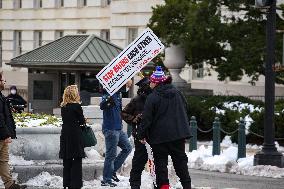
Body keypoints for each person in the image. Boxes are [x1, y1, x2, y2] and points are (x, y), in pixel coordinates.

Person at [137, 66, 192, 189]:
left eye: (151, 81)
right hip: (178, 135)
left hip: (159, 137)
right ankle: (187, 186)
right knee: (180, 162)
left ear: (156, 82)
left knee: (161, 164)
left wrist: (141, 134)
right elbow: (186, 107)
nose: (150, 83)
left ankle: (164, 187)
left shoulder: (153, 97)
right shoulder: (177, 93)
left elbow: (146, 119)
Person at [121, 75, 152, 189]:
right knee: (138, 163)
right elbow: (124, 113)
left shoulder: (155, 98)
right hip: (140, 137)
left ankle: (156, 184)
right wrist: (134, 119)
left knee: (157, 164)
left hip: (154, 136)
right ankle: (135, 186)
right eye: (148, 85)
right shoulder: (136, 100)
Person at [100, 81, 133, 187]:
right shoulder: (107, 94)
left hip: (118, 128)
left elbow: (125, 88)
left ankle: (112, 171)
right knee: (110, 155)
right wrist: (109, 100)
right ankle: (106, 179)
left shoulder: (118, 93)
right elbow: (102, 106)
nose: (127, 86)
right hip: (110, 129)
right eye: (126, 84)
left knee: (128, 148)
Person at [0, 73, 27, 189]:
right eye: (3, 80)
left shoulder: (2, 97)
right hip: (1, 134)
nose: (4, 82)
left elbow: (5, 116)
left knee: (3, 160)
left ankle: (9, 184)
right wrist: (6, 134)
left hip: (3, 135)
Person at [59, 85, 85, 189]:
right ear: (75, 94)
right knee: (77, 162)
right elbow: (81, 121)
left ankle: (67, 184)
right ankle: (76, 185)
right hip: (75, 135)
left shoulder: (63, 107)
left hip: (65, 135)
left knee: (67, 161)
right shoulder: (77, 107)